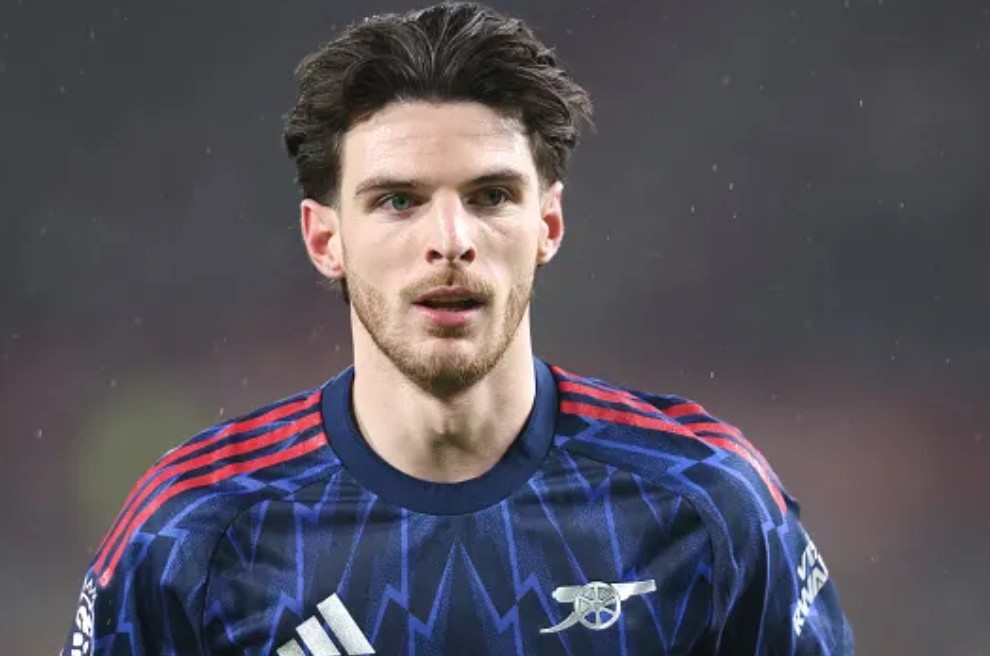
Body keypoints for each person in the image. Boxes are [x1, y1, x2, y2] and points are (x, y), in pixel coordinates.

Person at [62, 3, 854, 654]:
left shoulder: (706, 501)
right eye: (398, 200)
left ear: (548, 224)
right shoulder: (189, 532)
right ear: (324, 238)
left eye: (491, 196)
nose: (451, 239)